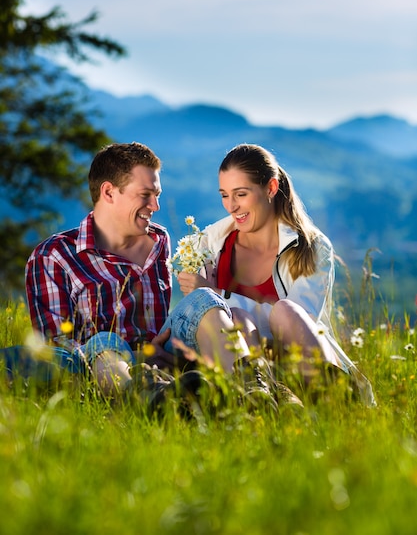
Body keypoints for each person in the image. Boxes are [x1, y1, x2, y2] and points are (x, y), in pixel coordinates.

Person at [2, 142, 242, 402]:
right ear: (108, 192)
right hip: (102, 365)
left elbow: (159, 323)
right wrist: (136, 355)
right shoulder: (53, 256)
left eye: (157, 194)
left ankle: (248, 389)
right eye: (145, 195)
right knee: (103, 340)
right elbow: (54, 346)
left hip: (164, 353)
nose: (155, 205)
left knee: (203, 299)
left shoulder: (159, 239)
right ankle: (145, 400)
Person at [163, 143, 376, 406]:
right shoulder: (209, 244)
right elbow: (207, 323)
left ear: (271, 189)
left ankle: (337, 399)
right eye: (224, 195)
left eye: (241, 194)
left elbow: (296, 328)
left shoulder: (311, 247)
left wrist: (216, 294)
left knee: (285, 311)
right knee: (237, 318)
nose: (231, 206)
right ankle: (265, 398)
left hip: (298, 364)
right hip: (239, 364)